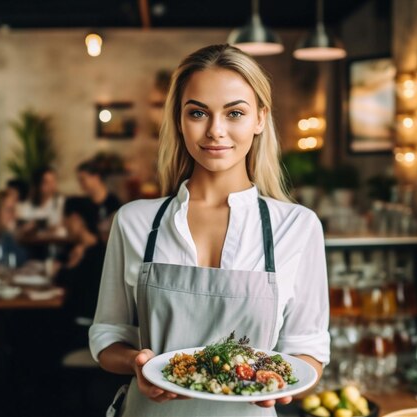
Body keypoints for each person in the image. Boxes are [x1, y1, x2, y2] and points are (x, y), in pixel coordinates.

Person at [89, 44, 330, 417]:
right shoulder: (134, 221)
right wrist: (137, 362)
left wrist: (286, 385)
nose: (216, 131)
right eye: (198, 112)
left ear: (260, 119)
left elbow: (308, 350)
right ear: (180, 120)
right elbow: (107, 337)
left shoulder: (297, 227)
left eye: (235, 113)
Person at [53, 197, 105, 349]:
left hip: (84, 329)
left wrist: (69, 266)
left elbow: (62, 283)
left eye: (66, 219)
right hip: (86, 325)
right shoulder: (93, 249)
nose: (64, 224)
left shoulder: (92, 255)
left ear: (76, 219)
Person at [76, 159, 122, 241]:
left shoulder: (114, 203)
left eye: (83, 180)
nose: (81, 186)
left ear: (96, 177)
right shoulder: (83, 204)